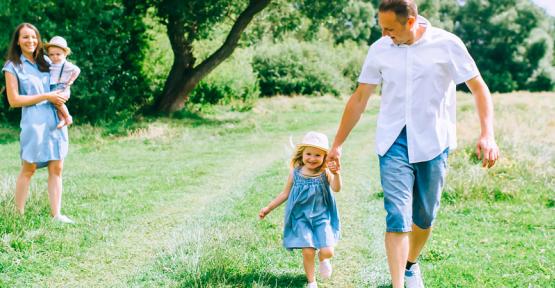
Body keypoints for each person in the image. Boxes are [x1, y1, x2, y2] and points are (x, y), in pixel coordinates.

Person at [327, 1, 500, 287]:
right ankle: (398, 283)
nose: (384, 34)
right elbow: (360, 98)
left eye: (390, 28)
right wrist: (337, 144)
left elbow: (479, 88)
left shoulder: (447, 44)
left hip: (434, 141)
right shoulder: (380, 49)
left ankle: (410, 264)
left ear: (411, 22)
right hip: (393, 140)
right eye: (381, 27)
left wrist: (487, 134)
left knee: (425, 217)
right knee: (397, 215)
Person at [3, 23, 75, 224]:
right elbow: (14, 100)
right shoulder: (12, 67)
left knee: (57, 167)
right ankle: (18, 215)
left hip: (55, 119)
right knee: (29, 168)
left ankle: (57, 214)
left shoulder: (46, 61)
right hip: (34, 123)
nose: (30, 41)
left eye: (34, 37)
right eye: (25, 37)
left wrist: (63, 94)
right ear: (17, 41)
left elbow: (65, 79)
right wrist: (47, 96)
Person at [259, 131, 342, 288]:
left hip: (321, 217)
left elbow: (337, 189)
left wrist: (337, 174)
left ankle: (323, 259)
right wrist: (268, 208)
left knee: (328, 250)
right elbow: (285, 193)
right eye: (308, 154)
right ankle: (312, 281)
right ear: (301, 154)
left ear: (325, 157)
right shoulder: (295, 173)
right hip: (300, 218)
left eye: (317, 155)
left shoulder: (326, 173)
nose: (312, 158)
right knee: (308, 251)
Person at [44, 36, 81, 129]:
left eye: (58, 54)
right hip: (53, 87)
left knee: (58, 103)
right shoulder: (51, 63)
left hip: (62, 87)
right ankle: (62, 119)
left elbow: (77, 70)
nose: (55, 57)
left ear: (65, 54)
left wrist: (71, 80)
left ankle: (67, 117)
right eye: (51, 55)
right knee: (56, 104)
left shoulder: (67, 65)